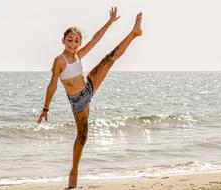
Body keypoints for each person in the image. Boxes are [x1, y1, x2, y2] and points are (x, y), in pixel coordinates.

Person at [37, 7, 142, 189]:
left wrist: (109, 22)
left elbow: (96, 39)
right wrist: (46, 108)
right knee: (82, 136)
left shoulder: (79, 54)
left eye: (76, 40)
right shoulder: (59, 61)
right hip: (78, 101)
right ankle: (74, 171)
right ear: (63, 40)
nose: (73, 43)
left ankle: (134, 33)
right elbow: (52, 85)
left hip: (88, 87)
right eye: (70, 39)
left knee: (110, 58)